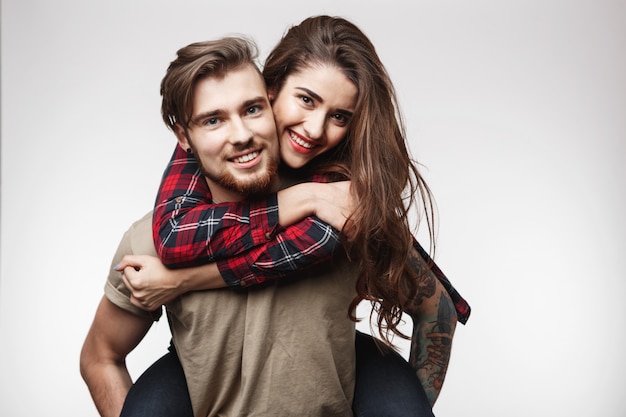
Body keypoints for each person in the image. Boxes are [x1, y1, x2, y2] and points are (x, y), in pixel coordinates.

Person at [119, 15, 469, 415]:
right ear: (269, 91)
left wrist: (412, 408)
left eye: (340, 116)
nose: (316, 129)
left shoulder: (344, 193)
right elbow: (174, 237)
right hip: (203, 370)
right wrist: (302, 198)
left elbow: (435, 306)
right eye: (306, 99)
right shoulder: (205, 149)